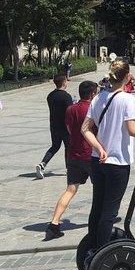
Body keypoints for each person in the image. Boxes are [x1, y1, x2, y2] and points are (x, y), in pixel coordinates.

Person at [81, 60, 135, 254]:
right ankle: (102, 252)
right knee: (110, 211)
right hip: (118, 161)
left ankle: (92, 248)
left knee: (97, 206)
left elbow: (85, 129)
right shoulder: (128, 100)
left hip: (97, 159)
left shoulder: (99, 98)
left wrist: (99, 147)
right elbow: (132, 131)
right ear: (127, 76)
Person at [45, 81, 98, 240]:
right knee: (100, 189)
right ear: (92, 94)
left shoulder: (71, 109)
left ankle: (54, 223)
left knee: (70, 190)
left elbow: (69, 129)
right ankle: (99, 221)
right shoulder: (93, 109)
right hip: (91, 154)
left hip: (73, 154)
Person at [36, 75, 73, 179]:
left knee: (55, 146)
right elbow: (70, 111)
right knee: (68, 146)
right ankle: (69, 169)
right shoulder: (66, 96)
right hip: (65, 126)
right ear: (64, 82)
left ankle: (42, 164)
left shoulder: (50, 95)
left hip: (54, 125)